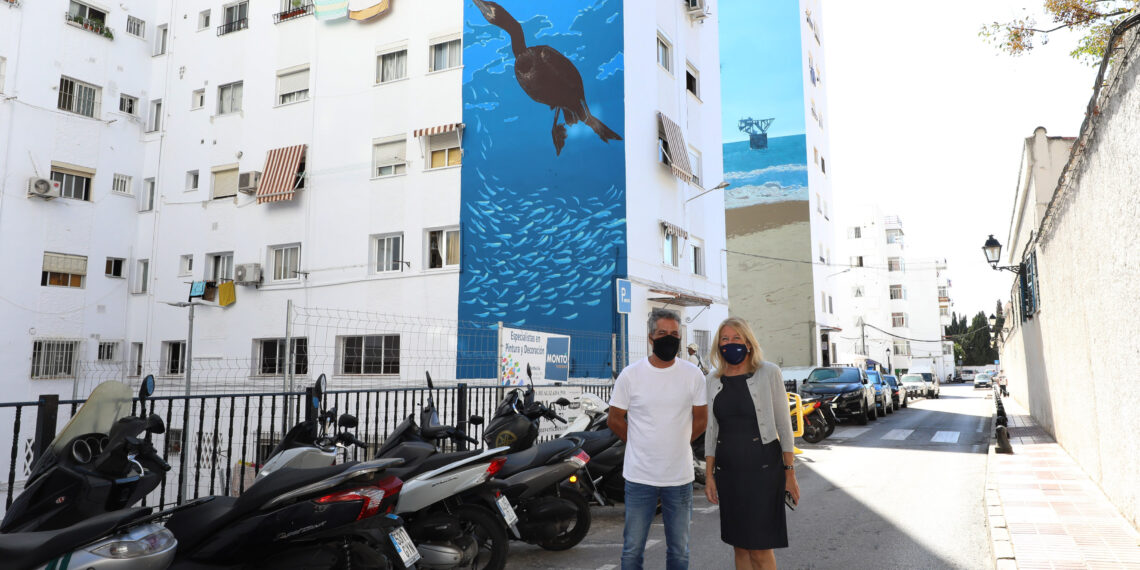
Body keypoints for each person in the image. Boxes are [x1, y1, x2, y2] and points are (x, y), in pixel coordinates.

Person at [608, 308, 708, 570]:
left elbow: (701, 419)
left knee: (679, 551)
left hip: (680, 477)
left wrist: (679, 441)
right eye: (662, 333)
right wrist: (640, 442)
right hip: (640, 477)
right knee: (632, 551)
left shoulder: (693, 375)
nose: (669, 338)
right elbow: (615, 419)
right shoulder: (631, 375)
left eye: (675, 334)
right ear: (651, 337)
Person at [703, 317, 798, 570]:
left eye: (736, 338)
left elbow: (784, 427)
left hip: (764, 471)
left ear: (748, 342)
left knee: (759, 547)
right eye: (725, 339)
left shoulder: (768, 373)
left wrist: (790, 472)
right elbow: (711, 431)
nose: (730, 343)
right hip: (729, 474)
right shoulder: (713, 380)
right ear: (718, 344)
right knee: (740, 546)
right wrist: (709, 475)